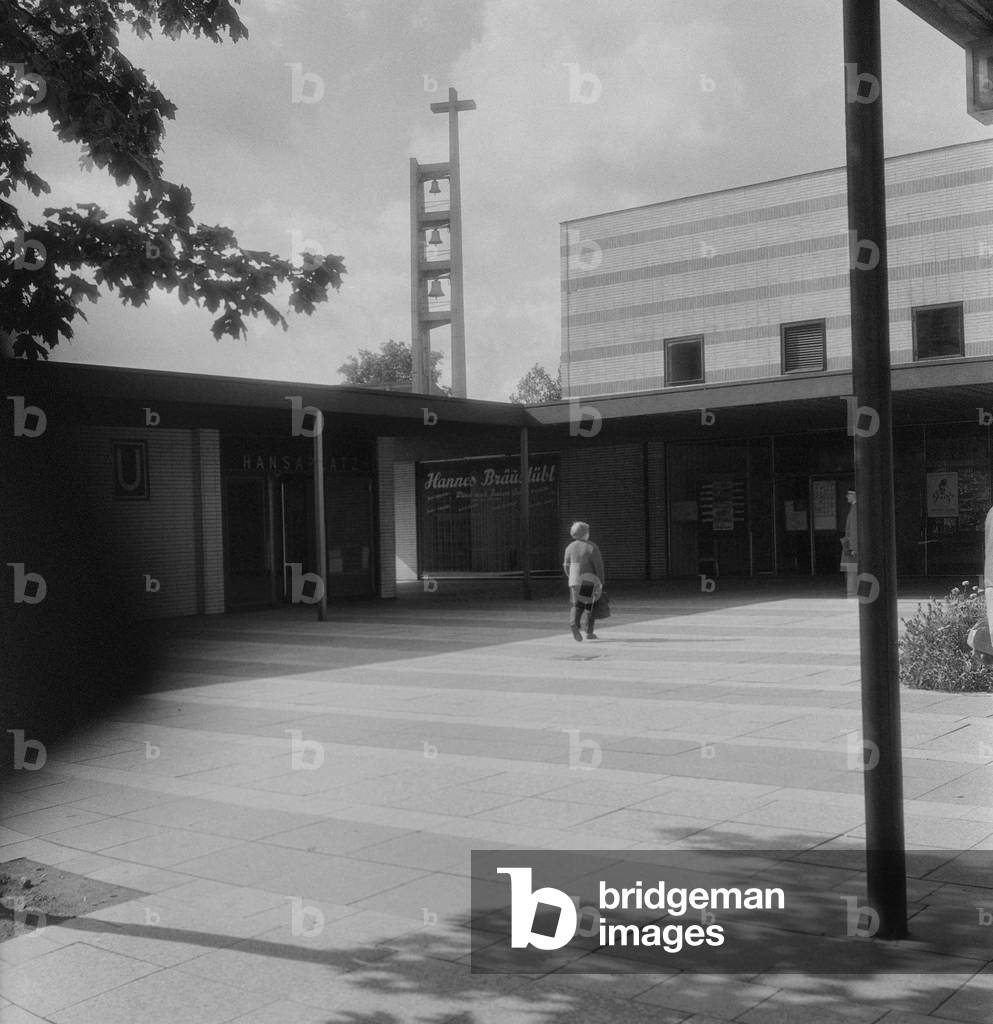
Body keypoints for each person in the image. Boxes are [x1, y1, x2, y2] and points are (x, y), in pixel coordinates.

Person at [563, 521, 605, 641]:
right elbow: (598, 566)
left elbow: (566, 565)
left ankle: (573, 623)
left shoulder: (569, 547)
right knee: (589, 605)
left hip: (573, 580)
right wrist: (601, 581)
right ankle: (589, 631)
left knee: (577, 604)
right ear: (586, 534)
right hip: (588, 580)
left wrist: (570, 576)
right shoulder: (591, 547)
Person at [840, 488, 858, 599]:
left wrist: (853, 547)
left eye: (849, 494)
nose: (847, 496)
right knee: (850, 569)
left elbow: (854, 529)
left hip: (851, 545)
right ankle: (852, 592)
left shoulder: (855, 509)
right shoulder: (853, 508)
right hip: (851, 544)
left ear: (854, 495)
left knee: (851, 570)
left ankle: (852, 593)